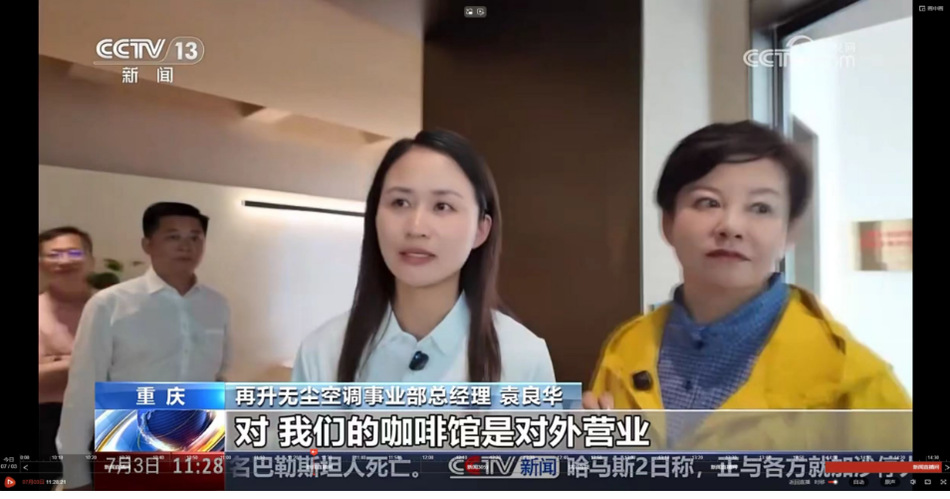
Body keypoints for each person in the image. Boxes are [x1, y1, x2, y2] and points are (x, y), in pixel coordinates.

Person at [582, 121, 910, 448]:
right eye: (708, 202)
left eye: (760, 208)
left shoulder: (855, 381)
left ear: (790, 233)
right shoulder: (626, 347)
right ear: (668, 222)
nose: (731, 226)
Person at [292, 130, 555, 383]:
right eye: (400, 202)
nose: (416, 228)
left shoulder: (523, 358)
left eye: (442, 206)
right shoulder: (322, 353)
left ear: (481, 229)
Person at [57, 202, 230, 490]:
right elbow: (83, 389)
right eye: (173, 236)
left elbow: (219, 378)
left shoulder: (216, 304)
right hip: (128, 440)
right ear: (147, 244)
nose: (185, 246)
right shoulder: (110, 304)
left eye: (195, 237)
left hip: (199, 444)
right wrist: (75, 474)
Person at [38, 226, 95, 486]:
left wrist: (56, 361)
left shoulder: (113, 308)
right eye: (54, 254)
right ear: (41, 263)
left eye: (74, 252)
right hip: (48, 421)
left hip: (107, 416)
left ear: (91, 260)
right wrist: (86, 359)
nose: (65, 260)